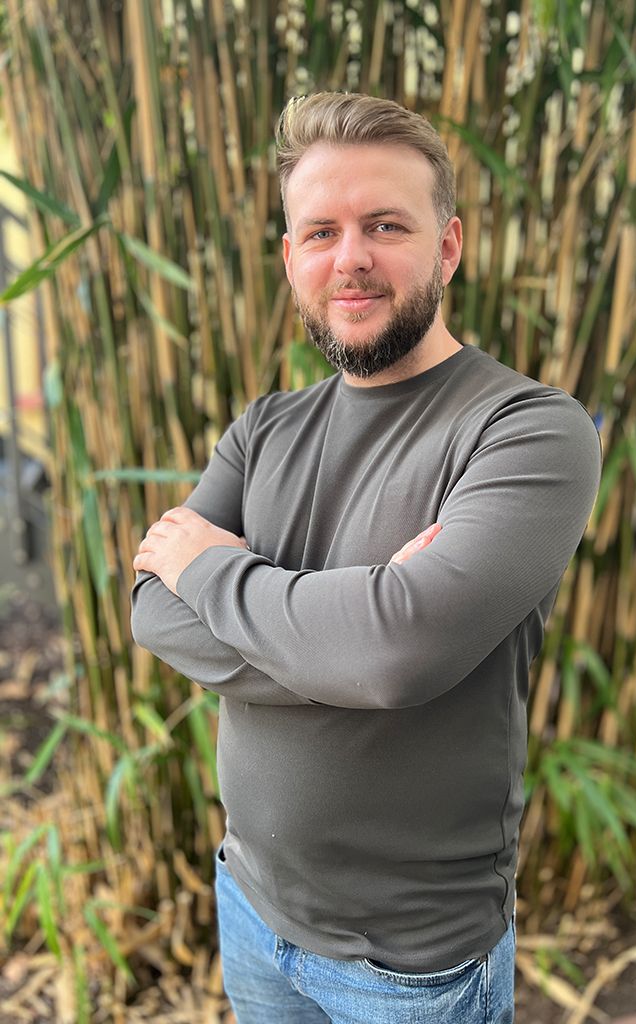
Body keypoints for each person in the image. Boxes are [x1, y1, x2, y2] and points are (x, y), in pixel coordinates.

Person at [131, 91, 601, 1024]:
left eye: (385, 225)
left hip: (412, 964)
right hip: (252, 904)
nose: (350, 258)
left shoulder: (526, 430)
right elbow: (153, 611)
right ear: (291, 259)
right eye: (321, 232)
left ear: (448, 246)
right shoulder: (263, 429)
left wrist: (210, 571)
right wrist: (352, 626)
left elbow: (394, 654)